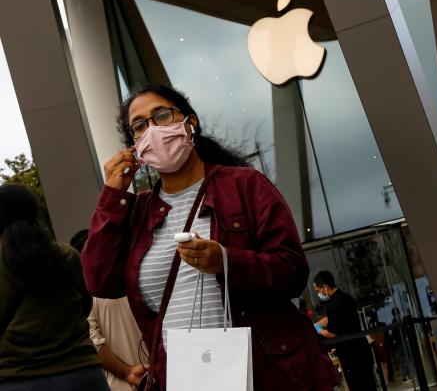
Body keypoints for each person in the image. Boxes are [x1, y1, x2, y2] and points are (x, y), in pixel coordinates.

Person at [80, 84, 336, 390]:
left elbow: (293, 271)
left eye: (161, 115)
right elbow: (99, 281)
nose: (152, 130)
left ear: (191, 123)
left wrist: (227, 261)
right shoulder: (137, 213)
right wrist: (112, 195)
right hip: (187, 377)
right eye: (139, 125)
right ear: (134, 145)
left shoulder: (244, 184)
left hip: (265, 372)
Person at [0, 184, 108, 390]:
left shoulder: (3, 264)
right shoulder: (66, 255)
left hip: (18, 378)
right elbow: (84, 306)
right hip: (83, 373)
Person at [71, 229, 149, 391]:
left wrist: (128, 372)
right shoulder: (141, 274)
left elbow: (93, 343)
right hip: (163, 374)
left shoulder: (84, 293)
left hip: (124, 385)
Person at [313, 271, 377, 391]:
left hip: (350, 355)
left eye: (318, 290)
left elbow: (332, 333)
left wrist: (318, 330)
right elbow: (330, 319)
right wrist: (317, 324)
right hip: (362, 349)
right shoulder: (346, 298)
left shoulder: (333, 305)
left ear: (325, 287)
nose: (319, 294)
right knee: (369, 385)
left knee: (357, 386)